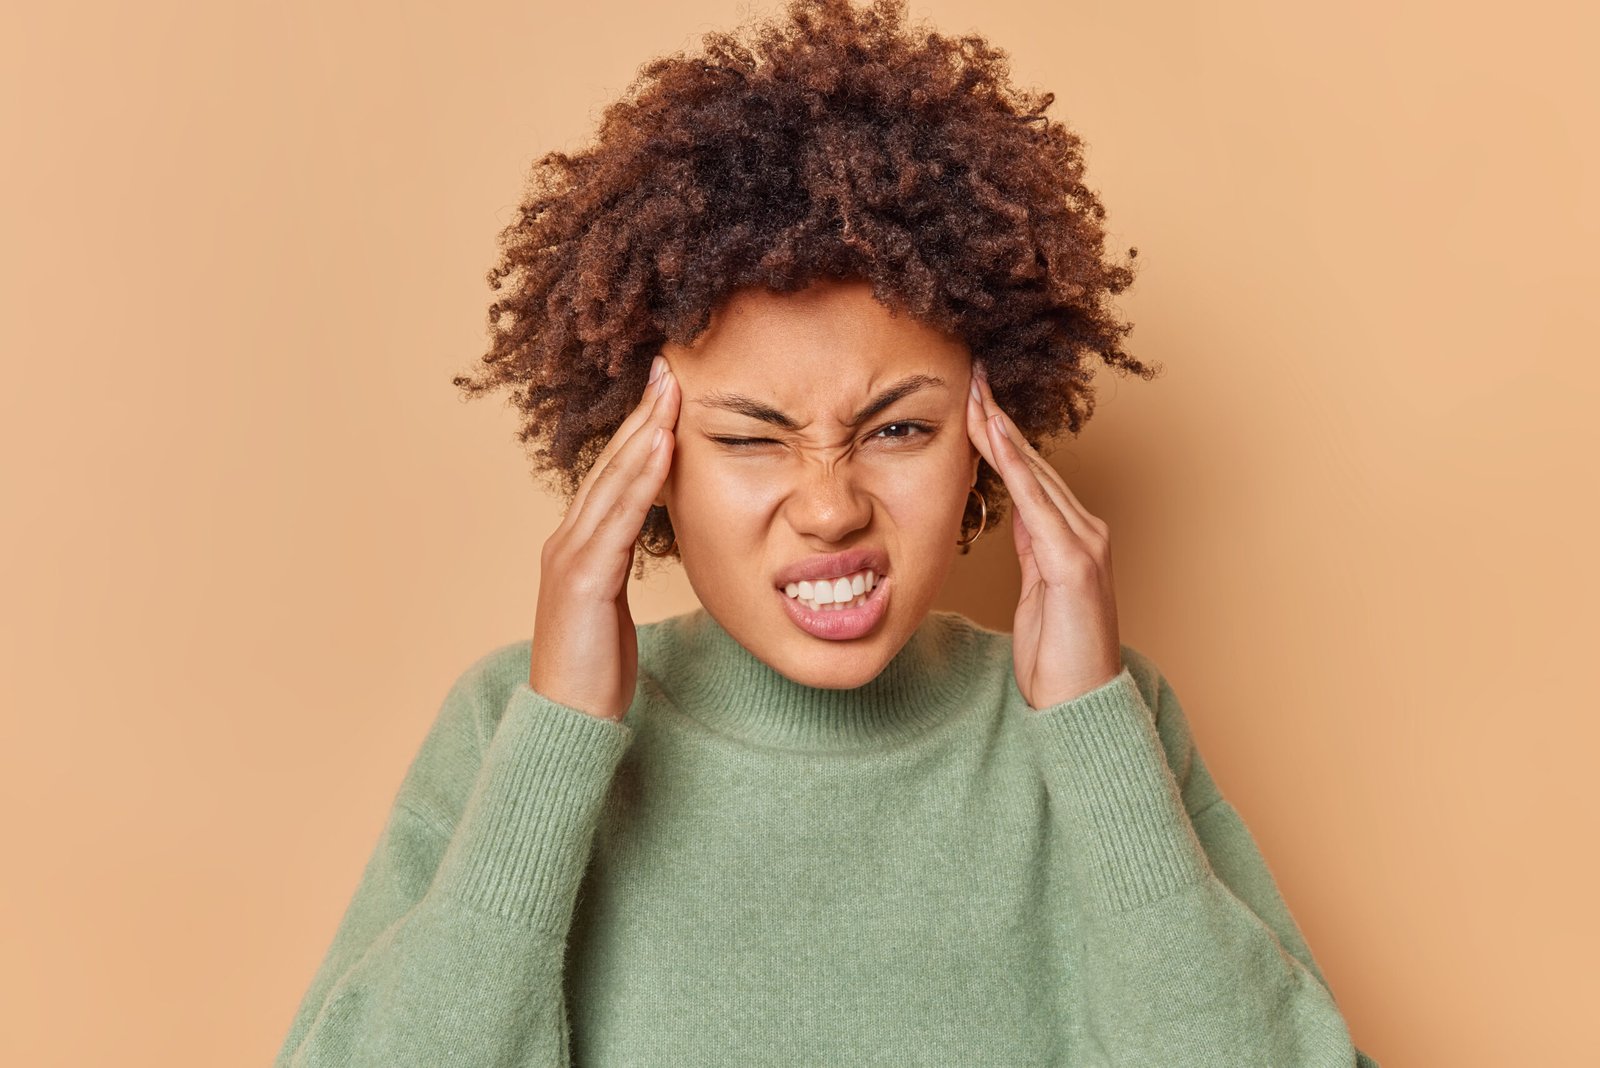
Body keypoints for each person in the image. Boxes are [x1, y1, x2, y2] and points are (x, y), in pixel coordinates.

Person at [273, 1, 1378, 1064]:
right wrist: (557, 742)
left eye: (896, 427)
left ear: (988, 441)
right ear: (645, 466)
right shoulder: (508, 731)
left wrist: (1090, 730)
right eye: (752, 439)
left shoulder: (1105, 724)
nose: (832, 504)